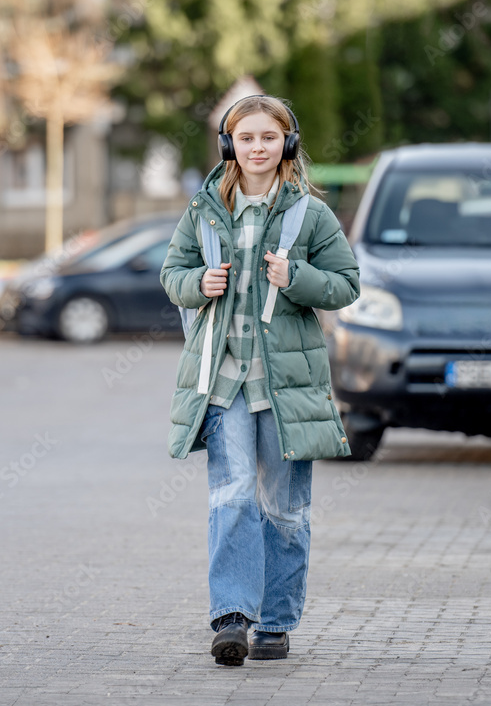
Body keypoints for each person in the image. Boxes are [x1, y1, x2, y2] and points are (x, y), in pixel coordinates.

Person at [159, 94, 361, 666]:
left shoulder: (310, 215)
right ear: (229, 145)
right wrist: (199, 282)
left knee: (284, 507)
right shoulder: (203, 210)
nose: (256, 148)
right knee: (232, 496)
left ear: (287, 144)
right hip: (223, 383)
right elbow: (172, 274)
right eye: (245, 138)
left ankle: (274, 620)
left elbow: (347, 284)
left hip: (285, 389)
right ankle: (230, 616)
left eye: (268, 138)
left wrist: (296, 276)